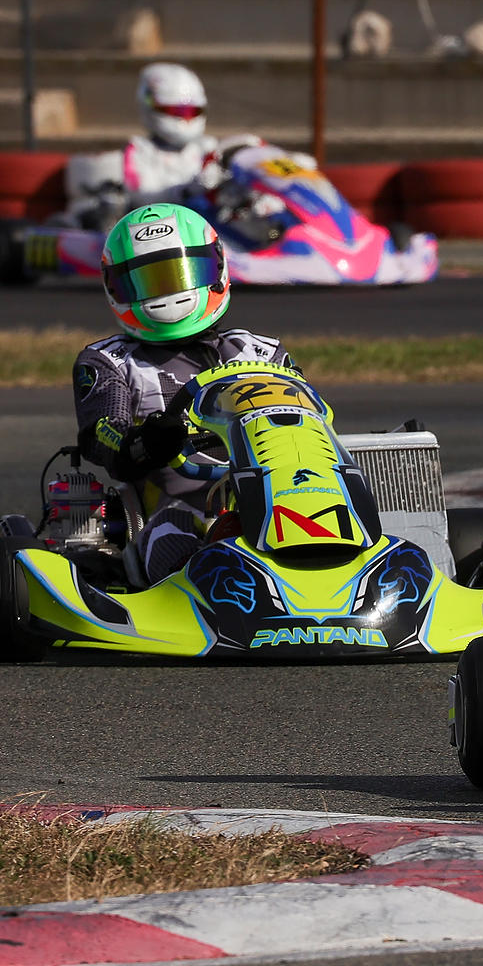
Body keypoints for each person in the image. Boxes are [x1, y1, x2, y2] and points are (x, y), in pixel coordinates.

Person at [73, 202, 294, 584]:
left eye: (180, 274)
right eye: (149, 281)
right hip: (172, 508)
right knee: (173, 527)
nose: (170, 291)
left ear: (215, 267)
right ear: (116, 287)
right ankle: (202, 589)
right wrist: (143, 443)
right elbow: (101, 434)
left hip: (272, 497)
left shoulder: (260, 352)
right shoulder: (110, 361)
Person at [64, 62, 217, 230]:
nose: (186, 118)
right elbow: (141, 198)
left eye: (191, 112)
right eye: (176, 111)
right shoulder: (138, 150)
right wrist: (186, 191)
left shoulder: (208, 148)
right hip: (156, 228)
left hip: (206, 223)